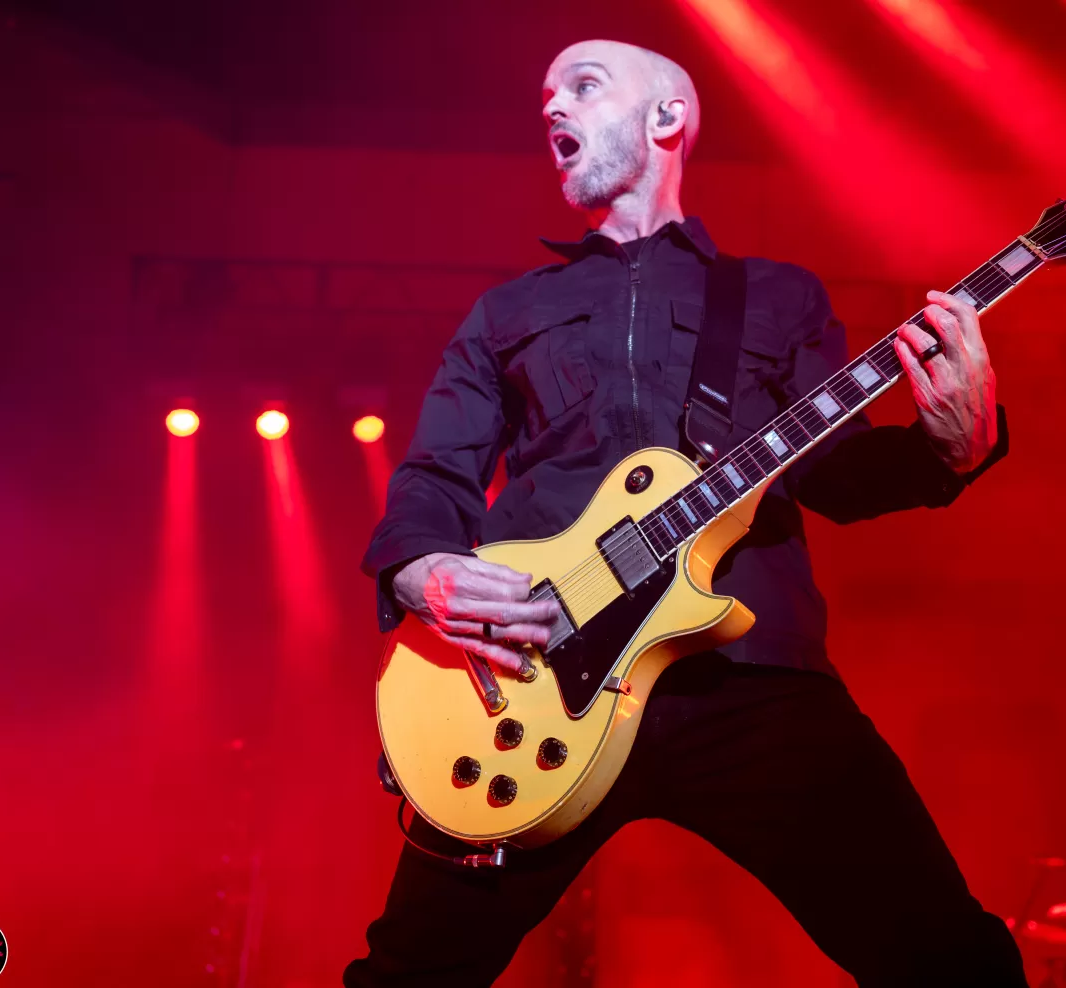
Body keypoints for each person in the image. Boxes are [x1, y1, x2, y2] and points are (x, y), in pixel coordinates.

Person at [345, 39, 1024, 987]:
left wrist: (952, 449)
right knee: (406, 975)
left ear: (667, 117)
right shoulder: (506, 311)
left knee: (949, 959)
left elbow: (834, 473)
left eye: (584, 86)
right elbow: (433, 478)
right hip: (532, 681)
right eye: (546, 95)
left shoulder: (776, 296)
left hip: (746, 673)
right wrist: (425, 570)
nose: (553, 107)